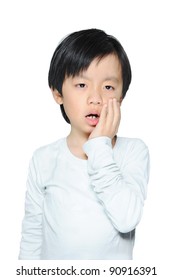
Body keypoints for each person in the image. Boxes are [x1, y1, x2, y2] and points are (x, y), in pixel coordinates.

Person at [19, 28, 150, 260]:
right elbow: (32, 238)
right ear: (57, 93)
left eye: (108, 87)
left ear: (121, 97)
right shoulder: (44, 159)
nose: (96, 98)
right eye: (82, 85)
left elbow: (127, 218)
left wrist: (100, 144)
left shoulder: (133, 152)